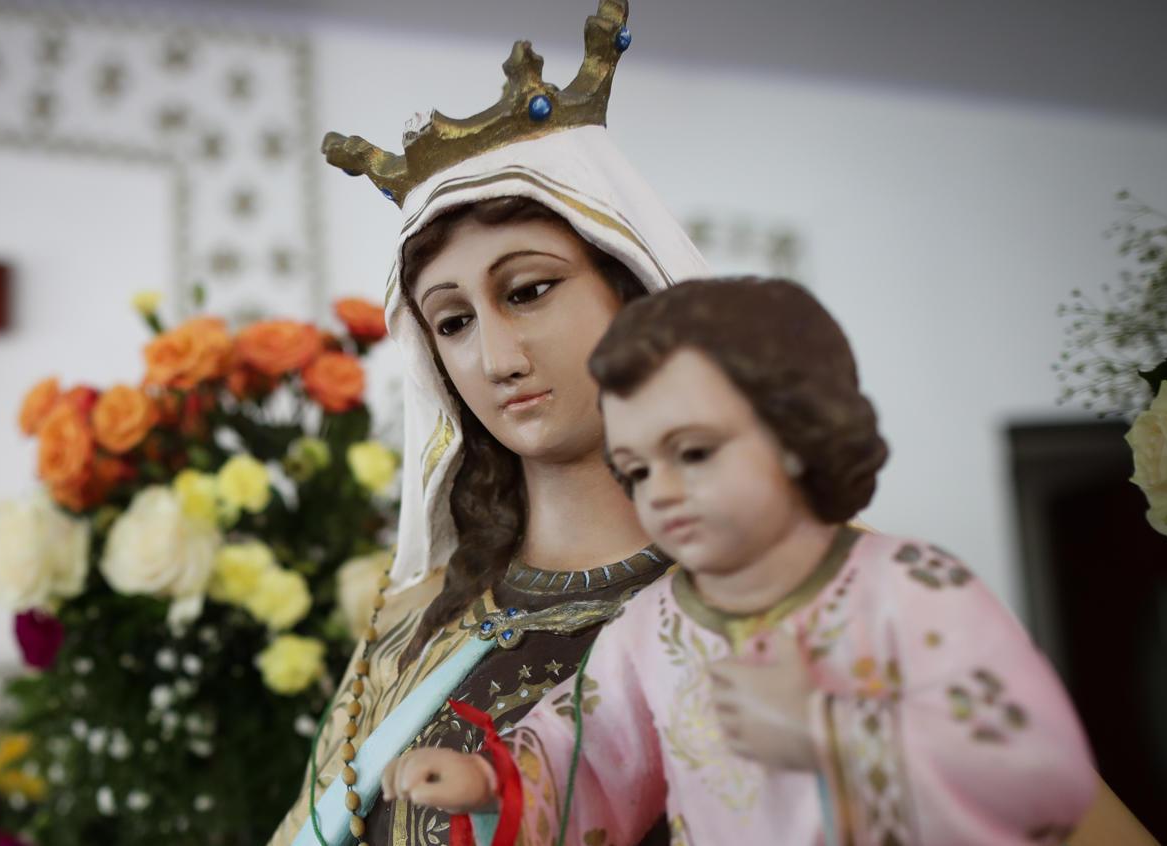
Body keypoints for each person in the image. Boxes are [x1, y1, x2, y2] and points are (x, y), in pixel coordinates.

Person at [380, 279, 1098, 845]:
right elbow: (590, 758)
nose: (662, 491)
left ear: (795, 431)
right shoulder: (655, 624)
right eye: (637, 470)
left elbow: (1042, 776)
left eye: (693, 453)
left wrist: (830, 732)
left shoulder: (907, 588)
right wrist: (492, 783)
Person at [271, 3, 708, 844]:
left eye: (528, 291)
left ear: (634, 292)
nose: (496, 358)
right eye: (453, 321)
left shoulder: (764, 606)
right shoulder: (413, 621)